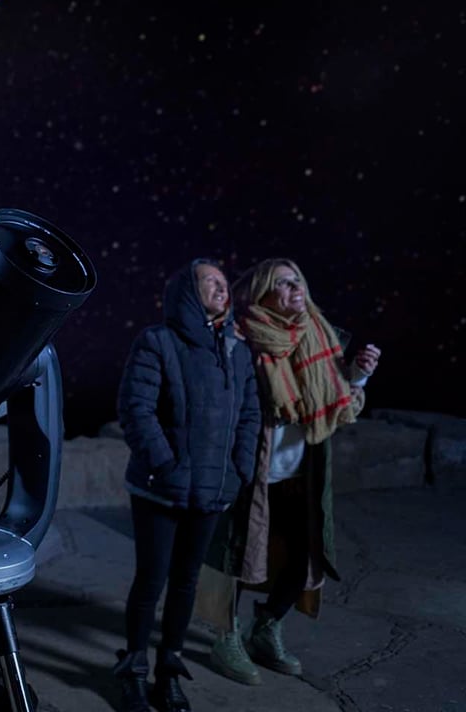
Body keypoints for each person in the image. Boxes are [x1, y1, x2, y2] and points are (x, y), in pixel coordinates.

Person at [204, 258, 381, 686]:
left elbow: (335, 400)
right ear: (263, 294)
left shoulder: (319, 335)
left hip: (300, 469)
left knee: (304, 555)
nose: (295, 289)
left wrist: (356, 376)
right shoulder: (240, 338)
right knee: (233, 556)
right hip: (249, 468)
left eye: (297, 280)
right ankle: (224, 636)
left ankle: (266, 627)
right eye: (283, 283)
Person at [113, 259, 261, 712]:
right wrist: (168, 464)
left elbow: (249, 415)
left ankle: (168, 670)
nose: (222, 287)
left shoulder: (236, 350)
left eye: (223, 282)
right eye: (210, 282)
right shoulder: (158, 341)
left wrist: (239, 470)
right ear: (188, 293)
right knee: (152, 579)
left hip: (213, 493)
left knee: (186, 583)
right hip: (161, 489)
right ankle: (134, 669)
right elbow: (136, 408)